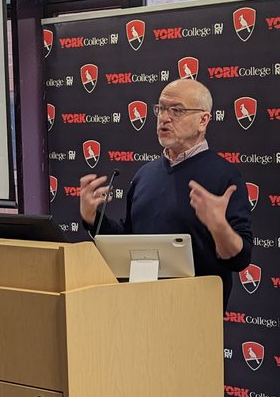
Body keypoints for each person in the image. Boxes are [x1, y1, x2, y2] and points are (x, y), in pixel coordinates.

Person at [79, 78, 253, 303]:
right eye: (161, 109)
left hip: (196, 311)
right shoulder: (145, 174)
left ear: (203, 120)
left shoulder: (225, 176)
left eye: (177, 110)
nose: (164, 117)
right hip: (142, 305)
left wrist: (219, 227)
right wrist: (92, 218)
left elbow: (240, 259)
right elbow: (131, 242)